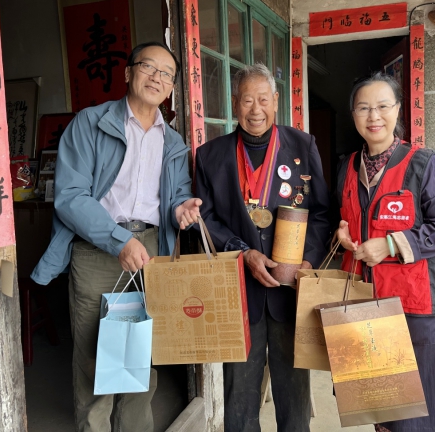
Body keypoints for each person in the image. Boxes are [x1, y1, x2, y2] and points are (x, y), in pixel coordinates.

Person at [31, 42, 202, 432]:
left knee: (139, 353)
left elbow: (175, 194)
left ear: (172, 87)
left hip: (152, 252)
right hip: (98, 249)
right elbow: (71, 197)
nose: (157, 78)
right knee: (96, 357)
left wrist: (181, 210)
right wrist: (118, 240)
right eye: (148, 67)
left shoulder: (173, 142)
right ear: (128, 73)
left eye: (167, 73)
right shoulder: (90, 123)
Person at [194, 63, 330, 431]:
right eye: (247, 100)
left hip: (291, 290)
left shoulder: (302, 145)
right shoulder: (210, 156)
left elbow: (320, 212)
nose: (256, 110)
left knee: (294, 393)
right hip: (239, 292)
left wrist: (308, 261)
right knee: (239, 394)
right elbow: (206, 218)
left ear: (276, 100)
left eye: (263, 100)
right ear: (234, 102)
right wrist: (242, 251)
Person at [333, 72, 435, 432]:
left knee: (417, 416)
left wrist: (390, 244)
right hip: (363, 302)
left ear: (398, 110)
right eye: (363, 108)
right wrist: (341, 234)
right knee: (377, 407)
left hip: (411, 306)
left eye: (382, 106)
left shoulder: (423, 164)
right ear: (354, 115)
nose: (373, 116)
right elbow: (342, 219)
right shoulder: (346, 166)